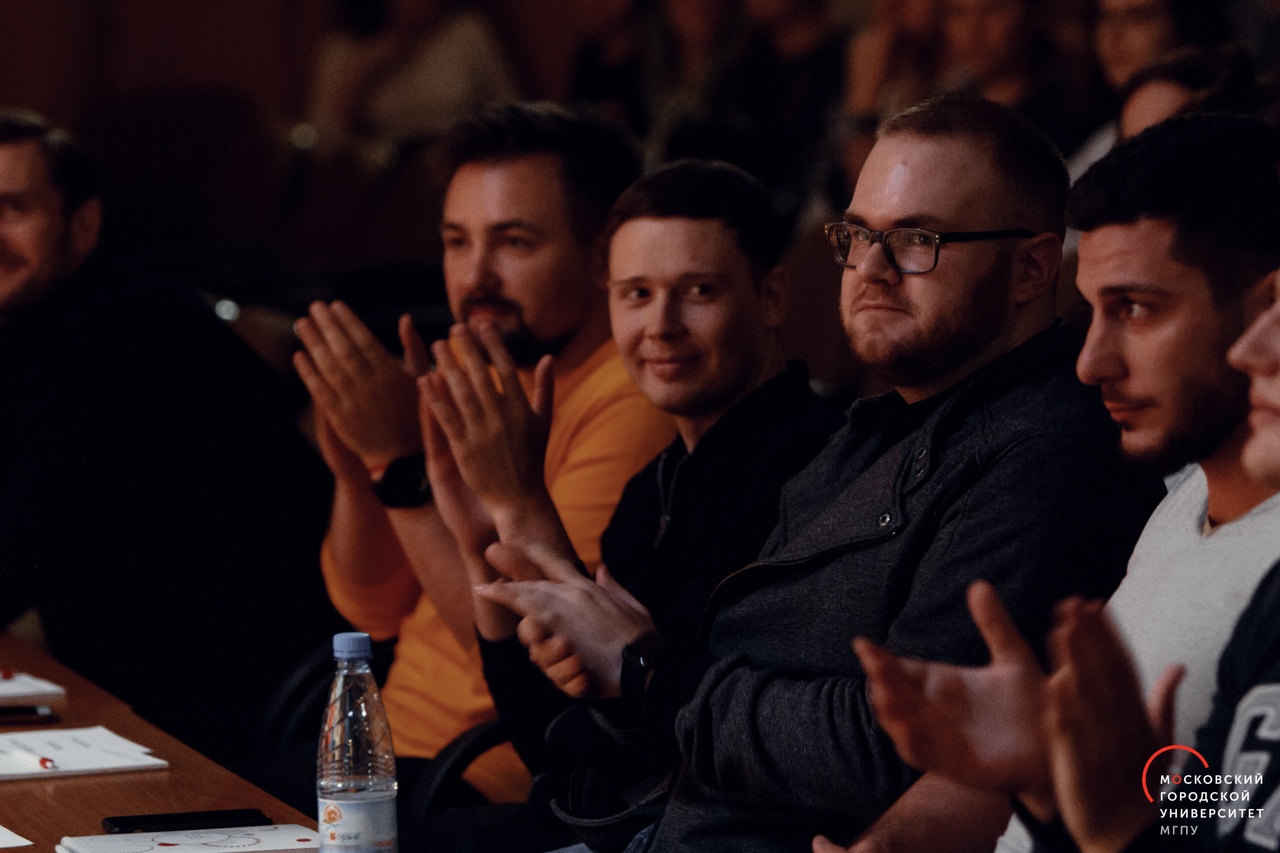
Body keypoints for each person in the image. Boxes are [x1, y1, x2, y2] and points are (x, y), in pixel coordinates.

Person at [484, 95, 1157, 852]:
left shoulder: (1045, 454)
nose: (870, 269)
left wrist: (644, 668)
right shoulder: (871, 429)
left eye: (916, 240)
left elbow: (910, 742)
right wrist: (614, 680)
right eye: (858, 235)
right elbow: (714, 702)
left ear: (1032, 267)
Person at [849, 113, 1280, 853]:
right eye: (1093, 311)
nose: (1091, 362)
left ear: (1264, 307)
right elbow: (1191, 805)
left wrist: (1110, 808)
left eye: (1136, 309)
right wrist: (1049, 775)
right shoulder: (1182, 505)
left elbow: (1211, 817)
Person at [411, 158, 843, 850]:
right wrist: (482, 540)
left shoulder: (811, 470)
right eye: (636, 293)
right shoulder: (655, 485)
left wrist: (523, 505)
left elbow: (681, 758)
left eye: (698, 291)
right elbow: (554, 743)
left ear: (771, 297)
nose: (660, 325)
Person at [292, 102, 675, 811]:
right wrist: (360, 466)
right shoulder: (483, 376)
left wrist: (400, 465)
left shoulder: (634, 402)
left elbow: (524, 650)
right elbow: (370, 606)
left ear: (605, 257)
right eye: (457, 242)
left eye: (514, 243)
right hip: (383, 751)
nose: (476, 277)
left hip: (477, 779)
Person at [0, 109, 344, 767]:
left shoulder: (115, 336)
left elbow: (13, 552)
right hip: (148, 682)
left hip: (246, 710)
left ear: (82, 225)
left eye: (13, 208)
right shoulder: (38, 326)